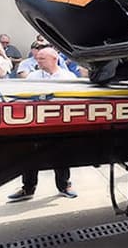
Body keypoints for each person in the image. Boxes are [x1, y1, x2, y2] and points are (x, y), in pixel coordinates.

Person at [8, 48, 78, 202]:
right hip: (36, 123)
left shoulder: (68, 77)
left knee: (60, 155)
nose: (38, 61)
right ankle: (28, 188)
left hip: (60, 123)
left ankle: (64, 186)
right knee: (30, 155)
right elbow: (24, 98)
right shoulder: (33, 76)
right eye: (37, 59)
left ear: (54, 59)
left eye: (42, 59)